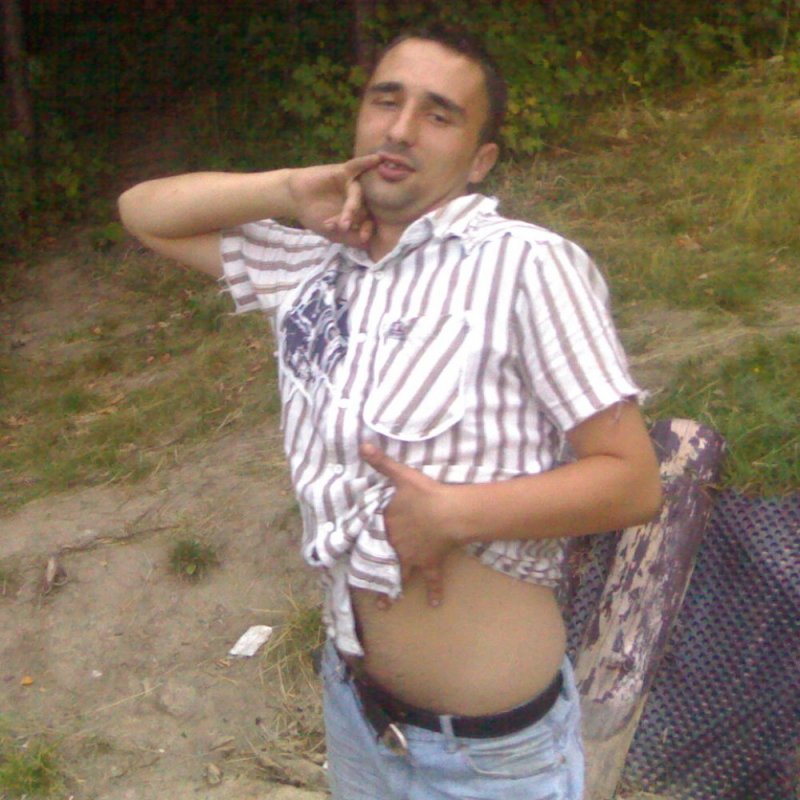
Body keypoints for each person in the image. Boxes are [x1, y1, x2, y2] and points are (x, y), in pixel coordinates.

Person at [118, 26, 662, 800]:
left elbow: (632, 482)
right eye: (386, 101)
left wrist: (457, 515)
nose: (401, 129)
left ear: (479, 160)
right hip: (358, 718)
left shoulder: (526, 265)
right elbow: (144, 212)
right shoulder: (308, 265)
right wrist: (288, 191)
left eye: (439, 114)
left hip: (487, 762)